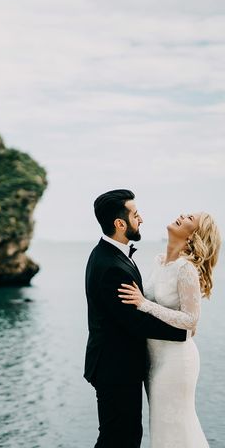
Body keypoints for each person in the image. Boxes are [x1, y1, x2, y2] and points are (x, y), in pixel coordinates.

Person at [84, 189, 187, 448]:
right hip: (115, 367)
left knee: (122, 436)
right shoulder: (111, 267)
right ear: (120, 224)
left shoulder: (110, 255)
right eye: (136, 215)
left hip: (116, 365)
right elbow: (134, 321)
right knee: (119, 439)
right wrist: (183, 330)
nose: (141, 219)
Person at [118, 211, 221, 447]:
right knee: (162, 427)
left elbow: (191, 321)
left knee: (174, 426)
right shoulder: (160, 261)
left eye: (190, 219)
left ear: (194, 235)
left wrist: (144, 304)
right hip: (154, 356)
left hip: (176, 360)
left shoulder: (186, 269)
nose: (182, 216)